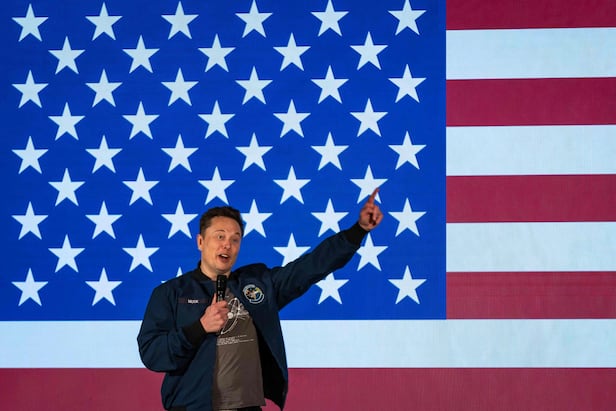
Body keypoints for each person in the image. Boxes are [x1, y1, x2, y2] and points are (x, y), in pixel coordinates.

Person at [137, 188, 383, 411]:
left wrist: (357, 231)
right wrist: (199, 327)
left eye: (235, 239)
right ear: (200, 241)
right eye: (220, 236)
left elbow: (310, 267)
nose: (227, 245)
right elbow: (152, 354)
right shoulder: (171, 293)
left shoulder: (258, 285)